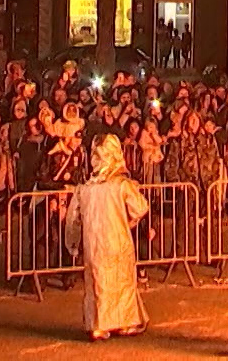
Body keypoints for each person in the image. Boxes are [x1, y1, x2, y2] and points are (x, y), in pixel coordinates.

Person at [63, 134, 150, 341]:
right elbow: (141, 207)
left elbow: (72, 219)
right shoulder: (122, 185)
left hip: (94, 244)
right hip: (118, 240)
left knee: (97, 283)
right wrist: (129, 222)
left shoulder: (85, 189)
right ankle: (124, 322)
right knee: (121, 281)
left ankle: (98, 325)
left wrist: (72, 244)